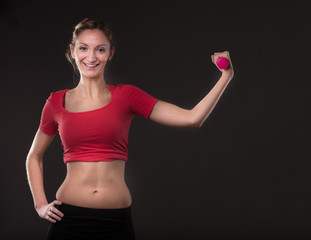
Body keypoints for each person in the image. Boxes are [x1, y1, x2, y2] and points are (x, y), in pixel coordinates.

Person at [25, 17, 234, 240]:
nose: (92, 57)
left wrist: (226, 76)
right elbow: (34, 157)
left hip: (115, 222)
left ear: (110, 53)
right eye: (84, 48)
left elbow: (193, 118)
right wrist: (40, 205)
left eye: (100, 50)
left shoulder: (127, 96)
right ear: (73, 50)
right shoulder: (56, 102)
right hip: (68, 219)